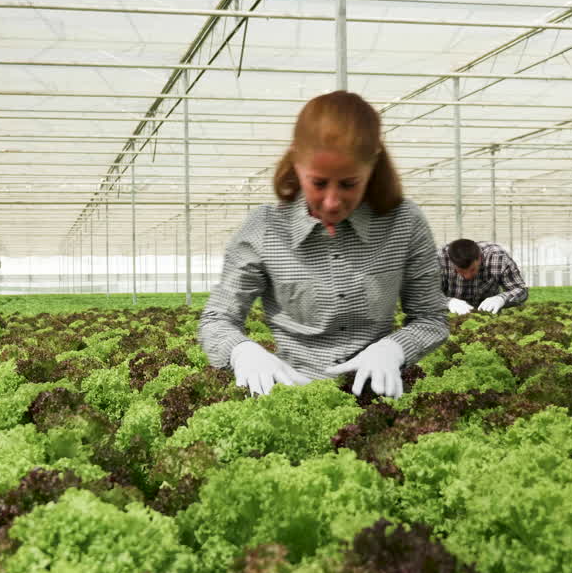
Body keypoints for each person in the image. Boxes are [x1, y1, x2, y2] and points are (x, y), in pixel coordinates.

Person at [198, 91, 449, 398]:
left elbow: (431, 318)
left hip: (380, 397)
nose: (331, 202)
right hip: (290, 396)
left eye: (349, 184)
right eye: (318, 183)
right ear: (296, 165)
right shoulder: (265, 229)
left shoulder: (404, 223)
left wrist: (394, 349)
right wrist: (241, 351)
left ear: (372, 168)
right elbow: (217, 319)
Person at [439, 238, 528, 315]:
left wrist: (502, 298)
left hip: (488, 315)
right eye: (460, 272)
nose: (467, 276)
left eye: (472, 270)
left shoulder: (498, 257)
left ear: (480, 258)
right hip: (448, 317)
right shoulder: (438, 259)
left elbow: (521, 289)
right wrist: (448, 302)